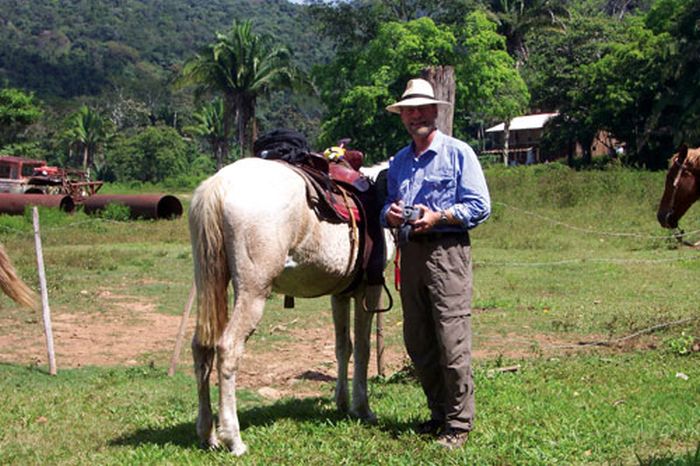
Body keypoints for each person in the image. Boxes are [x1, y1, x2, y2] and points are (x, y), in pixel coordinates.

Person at [380, 78, 491, 449]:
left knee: (451, 340)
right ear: (402, 117)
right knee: (418, 340)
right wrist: (391, 214)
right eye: (409, 111)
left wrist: (439, 216)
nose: (416, 116)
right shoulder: (398, 161)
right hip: (410, 254)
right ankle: (438, 413)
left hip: (447, 252)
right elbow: (387, 207)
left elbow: (480, 206)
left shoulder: (459, 153)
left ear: (435, 112)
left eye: (422, 109)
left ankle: (459, 424)